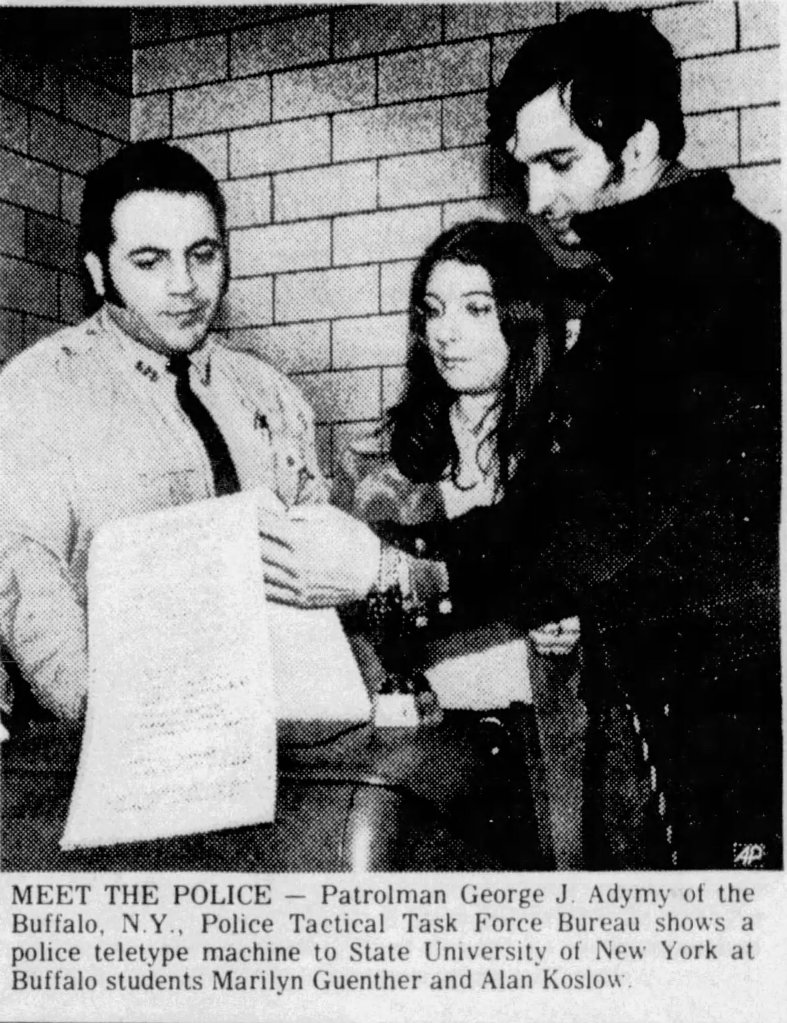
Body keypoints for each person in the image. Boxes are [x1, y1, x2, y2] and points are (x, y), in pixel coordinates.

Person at [258, 10, 781, 869]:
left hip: (702, 746)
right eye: (524, 167)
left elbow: (590, 522)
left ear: (640, 143)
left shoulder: (703, 283)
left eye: (560, 162)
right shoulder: (667, 277)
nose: (536, 199)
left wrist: (393, 570)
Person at [0, 140, 327, 725]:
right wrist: (115, 721)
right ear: (99, 272)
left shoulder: (272, 394)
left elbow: (317, 566)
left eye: (203, 254)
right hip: (108, 734)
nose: (185, 284)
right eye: (149, 262)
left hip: (283, 727)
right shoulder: (38, 392)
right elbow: (26, 580)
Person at [334, 220, 585, 867]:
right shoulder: (379, 466)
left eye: (475, 309)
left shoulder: (576, 454)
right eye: (433, 310)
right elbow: (350, 631)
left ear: (523, 319)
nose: (445, 332)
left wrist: (582, 617)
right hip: (425, 768)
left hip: (555, 758)